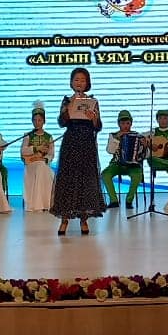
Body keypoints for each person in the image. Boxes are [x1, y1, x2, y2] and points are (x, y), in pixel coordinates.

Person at [50, 67, 107, 235]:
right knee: (68, 179)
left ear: (87, 83)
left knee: (85, 180)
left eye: (82, 80)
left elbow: (98, 126)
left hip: (87, 144)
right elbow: (61, 122)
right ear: (71, 82)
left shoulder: (93, 101)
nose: (79, 83)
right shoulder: (67, 100)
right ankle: (64, 219)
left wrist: (93, 118)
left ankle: (84, 219)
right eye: (76, 79)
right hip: (71, 143)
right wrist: (69, 109)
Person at [102, 110, 144, 209]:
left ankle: (129, 201)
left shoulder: (138, 136)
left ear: (131, 124)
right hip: (117, 164)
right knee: (105, 174)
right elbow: (110, 151)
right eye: (123, 123)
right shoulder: (113, 135)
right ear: (119, 124)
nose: (125, 126)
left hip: (132, 165)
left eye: (127, 123)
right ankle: (114, 200)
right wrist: (116, 139)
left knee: (137, 175)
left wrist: (144, 146)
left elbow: (144, 155)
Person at [21, 101, 56, 212]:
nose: (37, 123)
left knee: (45, 169)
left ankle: (45, 203)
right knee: (41, 168)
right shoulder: (28, 136)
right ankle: (38, 204)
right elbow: (23, 151)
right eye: (35, 120)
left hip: (43, 164)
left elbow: (51, 154)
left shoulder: (49, 137)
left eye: (39, 120)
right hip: (31, 164)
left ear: (44, 121)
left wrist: (44, 158)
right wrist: (37, 148)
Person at [147, 109, 168, 188]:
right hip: (157, 161)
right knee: (150, 159)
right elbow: (142, 138)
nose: (163, 120)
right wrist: (150, 144)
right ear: (157, 120)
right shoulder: (153, 131)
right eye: (160, 118)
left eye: (165, 118)